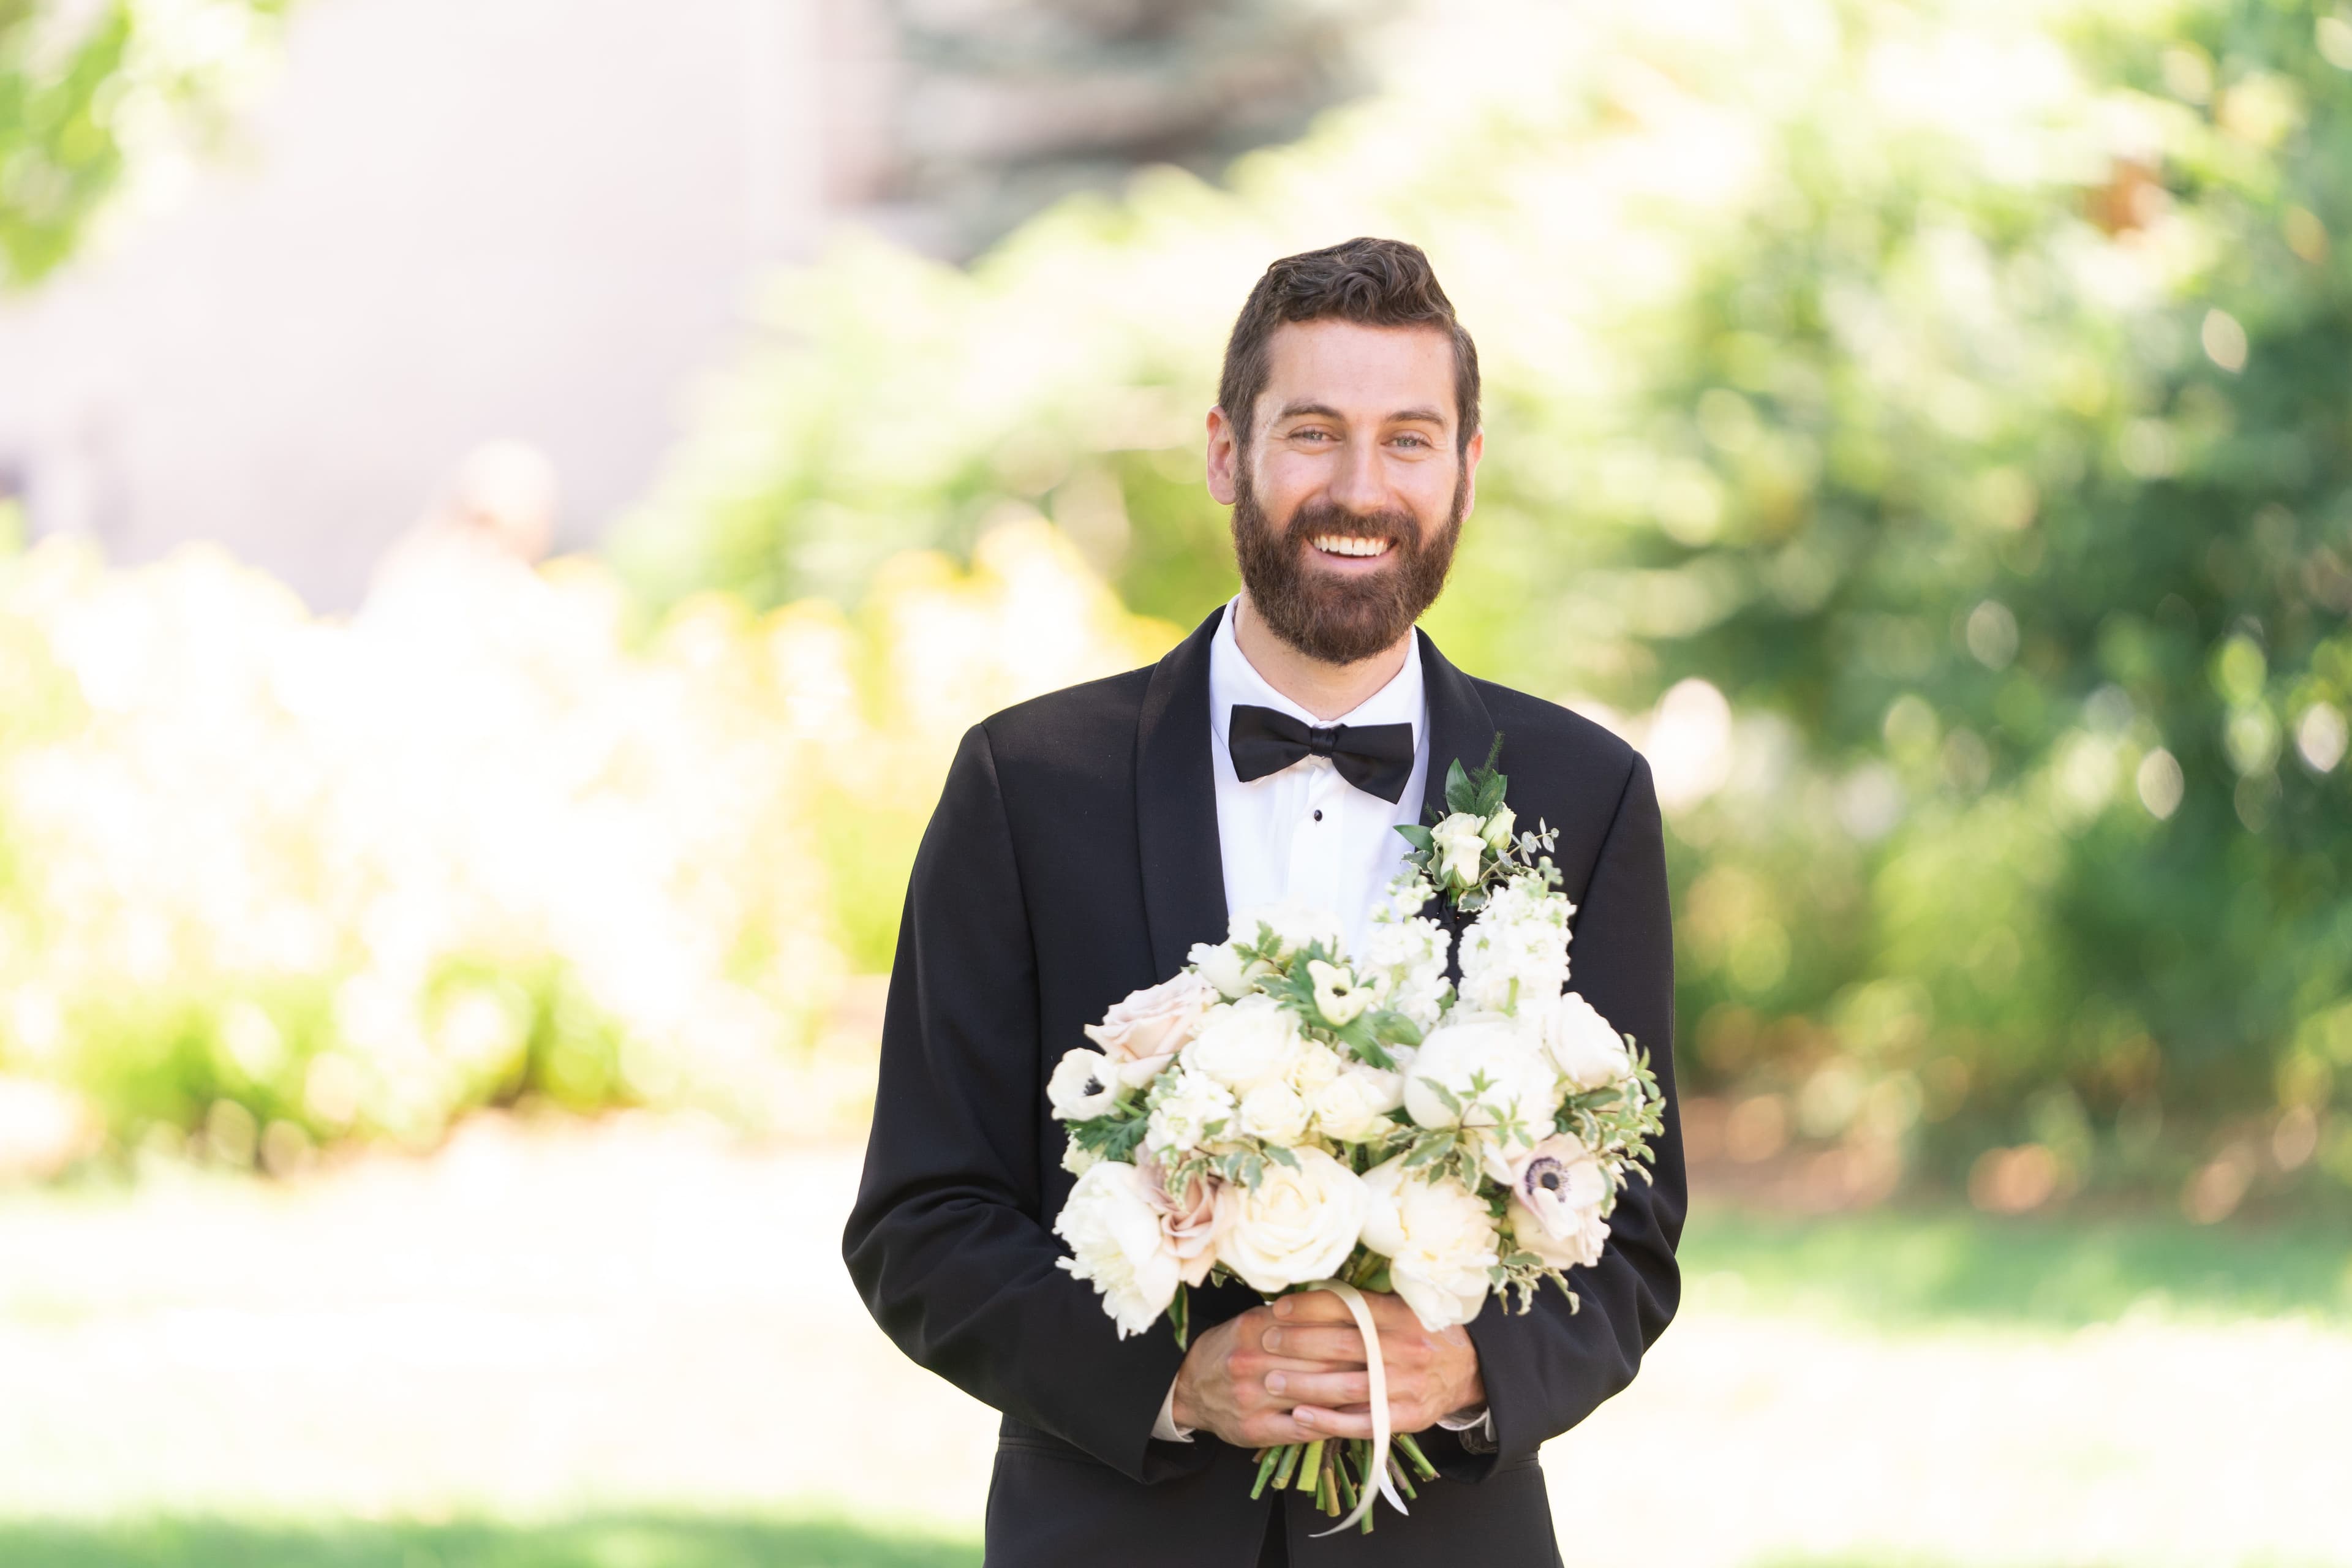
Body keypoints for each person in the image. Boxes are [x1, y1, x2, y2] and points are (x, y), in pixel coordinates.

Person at [843, 237, 1684, 1566]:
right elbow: (921, 1220)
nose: (1361, 488)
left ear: (1467, 470)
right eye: (1313, 433)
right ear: (1227, 453)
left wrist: (1473, 1367)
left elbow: (1629, 1237)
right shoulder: (1027, 785)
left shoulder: (1587, 796)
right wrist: (1171, 1384)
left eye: (1408, 440)